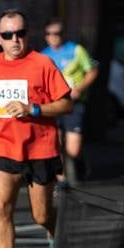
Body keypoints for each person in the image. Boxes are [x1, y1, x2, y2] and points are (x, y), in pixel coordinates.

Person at [0, 9, 72, 248]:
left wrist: (34, 109)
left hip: (40, 146)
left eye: (20, 33)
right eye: (8, 35)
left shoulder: (43, 63)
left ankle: (54, 234)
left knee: (41, 215)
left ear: (28, 34)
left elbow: (66, 104)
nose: (15, 40)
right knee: (1, 206)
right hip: (3, 146)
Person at [40, 18, 99, 182]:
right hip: (54, 105)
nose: (53, 37)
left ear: (63, 34)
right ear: (45, 36)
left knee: (73, 149)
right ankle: (62, 182)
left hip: (74, 104)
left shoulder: (76, 50)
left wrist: (79, 88)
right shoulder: (43, 55)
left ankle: (81, 164)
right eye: (49, 34)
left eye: (57, 33)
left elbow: (93, 71)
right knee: (55, 144)